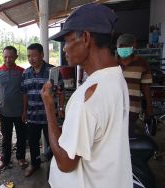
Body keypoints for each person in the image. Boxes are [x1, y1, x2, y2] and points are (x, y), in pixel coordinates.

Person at [42, 3, 133, 188]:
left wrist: (49, 109)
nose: (64, 49)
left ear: (85, 37)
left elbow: (66, 164)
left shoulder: (87, 96)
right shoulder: (116, 77)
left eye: (67, 40)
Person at [21, 43, 64, 177]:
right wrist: (24, 111)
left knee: (53, 143)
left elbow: (61, 92)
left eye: (34, 55)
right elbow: (25, 94)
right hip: (32, 116)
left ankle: (54, 167)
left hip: (49, 117)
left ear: (42, 55)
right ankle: (35, 164)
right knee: (33, 143)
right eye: (28, 56)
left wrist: (61, 108)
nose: (31, 59)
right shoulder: (26, 73)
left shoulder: (52, 72)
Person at [0, 46, 28, 170]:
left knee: (21, 136)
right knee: (6, 138)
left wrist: (25, 111)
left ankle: (21, 157)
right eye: (5, 56)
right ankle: (5, 160)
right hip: (4, 112)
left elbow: (25, 92)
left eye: (11, 57)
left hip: (19, 112)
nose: (8, 59)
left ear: (16, 57)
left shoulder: (22, 71)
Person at [116, 33, 153, 136]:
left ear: (134, 46)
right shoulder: (111, 63)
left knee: (127, 138)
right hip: (113, 109)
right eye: (120, 46)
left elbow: (146, 87)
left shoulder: (142, 63)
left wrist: (149, 107)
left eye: (126, 46)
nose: (123, 48)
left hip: (132, 109)